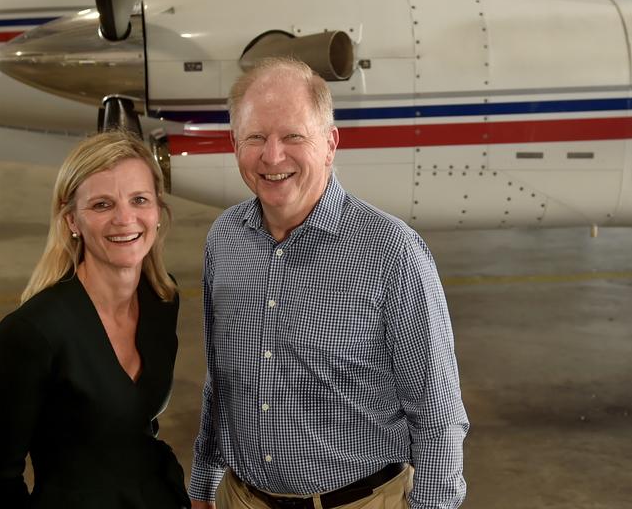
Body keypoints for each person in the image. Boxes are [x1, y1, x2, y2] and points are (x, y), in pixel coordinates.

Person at [190, 57, 469, 509]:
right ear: (235, 143)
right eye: (256, 137)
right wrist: (203, 484)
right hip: (240, 499)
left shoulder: (391, 253)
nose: (273, 156)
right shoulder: (224, 240)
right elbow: (221, 380)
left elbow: (438, 417)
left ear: (330, 143)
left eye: (293, 136)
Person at [0, 130, 190, 508]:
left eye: (139, 200)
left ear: (157, 212)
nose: (125, 219)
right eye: (102, 205)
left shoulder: (161, 298)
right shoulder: (33, 332)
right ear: (72, 220)